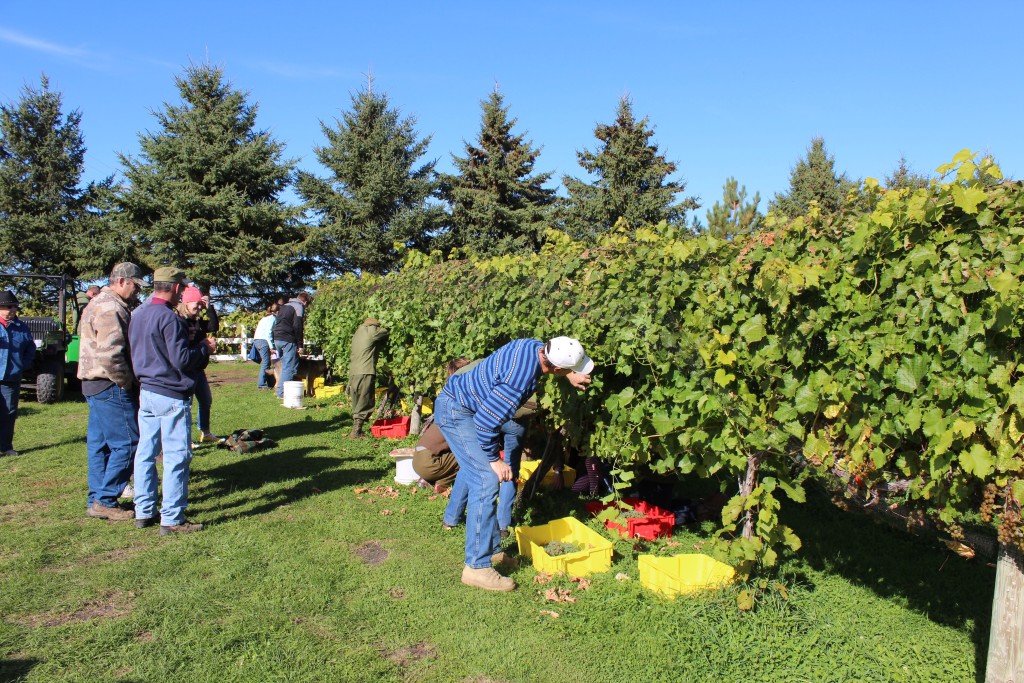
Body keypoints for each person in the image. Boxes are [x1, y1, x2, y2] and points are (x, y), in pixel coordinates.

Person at [435, 336, 593, 591]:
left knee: (484, 479)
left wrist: (568, 375)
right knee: (485, 481)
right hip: (457, 412)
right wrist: (492, 460)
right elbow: (485, 424)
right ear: (557, 367)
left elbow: (551, 361)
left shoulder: (532, 345)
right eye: (570, 370)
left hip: (463, 403)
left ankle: (492, 550)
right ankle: (476, 567)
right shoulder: (518, 382)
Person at [129, 267, 216, 535]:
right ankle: (172, 518)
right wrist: (204, 348)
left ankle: (143, 510)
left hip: (147, 392)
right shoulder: (170, 319)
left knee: (145, 451)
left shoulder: (139, 313)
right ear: (177, 289)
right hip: (171, 393)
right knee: (177, 455)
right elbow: (182, 361)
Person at [79, 262, 146, 521]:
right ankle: (106, 499)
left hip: (93, 383)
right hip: (110, 384)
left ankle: (97, 497)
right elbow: (111, 355)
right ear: (121, 281)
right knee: (128, 442)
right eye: (135, 285)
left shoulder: (97, 303)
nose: (137, 292)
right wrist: (127, 382)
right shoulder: (110, 308)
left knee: (100, 445)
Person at [176, 285, 221, 445]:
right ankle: (185, 439)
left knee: (206, 400)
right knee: (185, 405)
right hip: (186, 370)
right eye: (197, 303)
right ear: (186, 303)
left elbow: (214, 326)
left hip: (199, 369)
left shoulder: (198, 321)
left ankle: (206, 432)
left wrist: (209, 307)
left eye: (201, 304)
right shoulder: (179, 321)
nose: (199, 307)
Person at [0, 291, 36, 457]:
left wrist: (23, 365)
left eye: (15, 307)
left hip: (11, 378)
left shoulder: (21, 327)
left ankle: (6, 446)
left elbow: (30, 348)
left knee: (9, 412)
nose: (12, 310)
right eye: (8, 307)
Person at [347, 317, 389, 438]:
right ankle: (356, 431)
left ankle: (356, 428)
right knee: (365, 400)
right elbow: (387, 330)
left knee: (357, 399)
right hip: (365, 371)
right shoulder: (372, 332)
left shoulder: (358, 332)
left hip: (354, 371)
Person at [273, 292, 311, 401]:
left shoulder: (286, 306)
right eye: (306, 305)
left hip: (277, 338)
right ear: (305, 301)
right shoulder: (298, 307)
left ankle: (283, 389)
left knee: (286, 365)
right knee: (289, 367)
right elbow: (298, 326)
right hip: (287, 338)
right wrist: (300, 344)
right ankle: (282, 393)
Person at [252, 303, 278, 390]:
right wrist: (271, 347)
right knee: (266, 363)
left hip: (257, 340)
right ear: (277, 312)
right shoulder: (272, 319)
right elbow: (268, 333)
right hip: (263, 341)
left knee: (267, 362)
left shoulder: (265, 318)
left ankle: (270, 383)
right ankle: (261, 384)